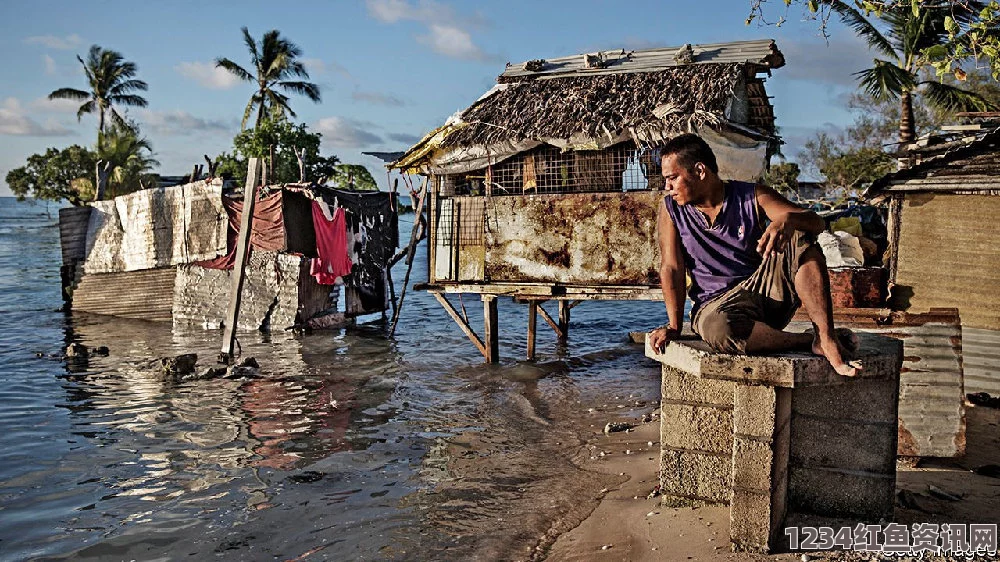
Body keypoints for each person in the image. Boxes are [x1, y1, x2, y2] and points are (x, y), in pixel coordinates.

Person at [647, 133, 860, 377]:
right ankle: (807, 341)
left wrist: (788, 220)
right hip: (715, 307)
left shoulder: (752, 196)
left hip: (763, 295)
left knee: (800, 236)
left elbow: (816, 223)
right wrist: (674, 327)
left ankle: (825, 336)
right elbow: (671, 267)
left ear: (699, 171)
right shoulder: (671, 209)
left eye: (673, 178)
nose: (667, 187)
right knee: (720, 329)